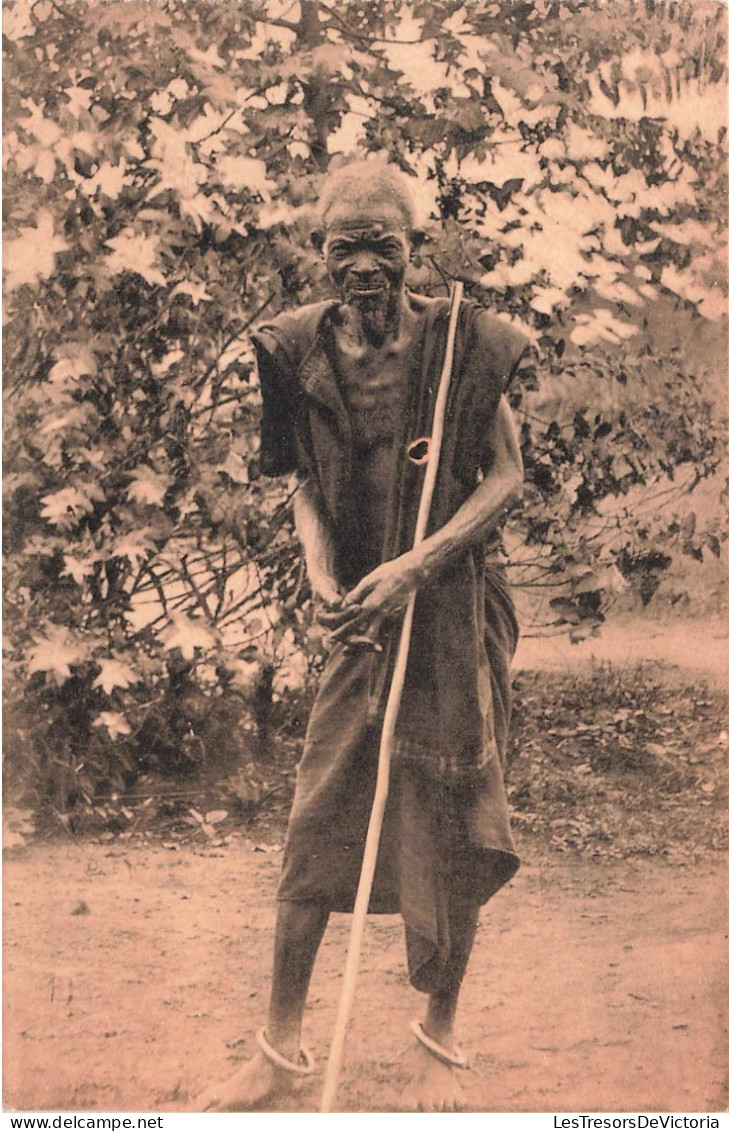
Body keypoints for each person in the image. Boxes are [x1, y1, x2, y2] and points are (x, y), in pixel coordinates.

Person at [197, 159, 528, 1112]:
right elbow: (300, 477)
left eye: (383, 244)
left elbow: (504, 477)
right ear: (322, 254)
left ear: (413, 248)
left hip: (454, 602)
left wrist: (415, 568)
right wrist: (322, 574)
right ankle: (281, 1044)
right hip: (357, 614)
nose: (365, 265)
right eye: (345, 247)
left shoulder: (465, 342)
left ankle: (438, 1034)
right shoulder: (296, 348)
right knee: (317, 810)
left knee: (454, 806)